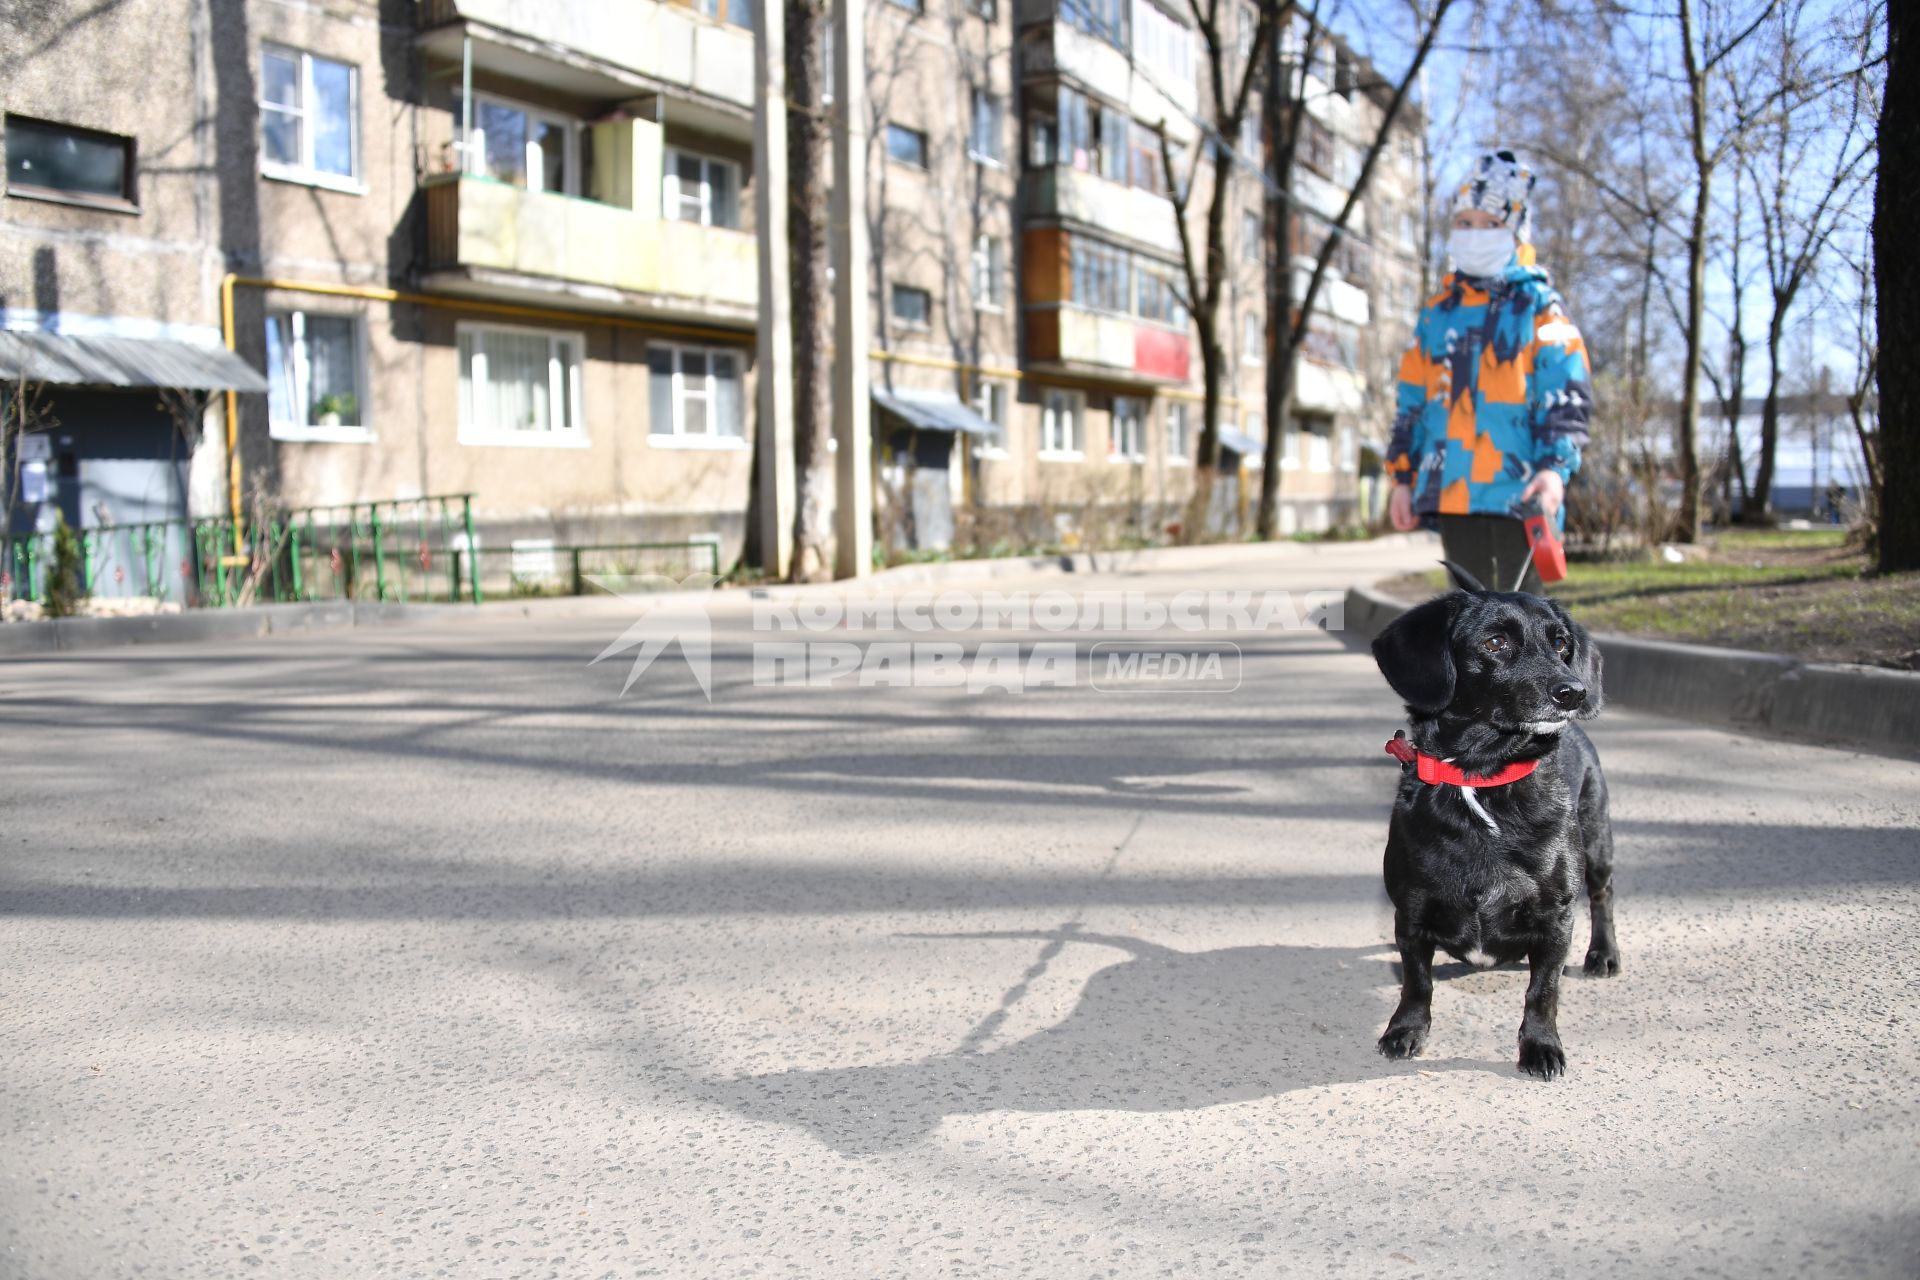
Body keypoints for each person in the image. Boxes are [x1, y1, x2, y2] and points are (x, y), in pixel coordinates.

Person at [1386, 150, 1593, 594]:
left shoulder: (1539, 308)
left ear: (1516, 232)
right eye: (1464, 223)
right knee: (1469, 619)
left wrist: (1554, 469)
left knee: (1525, 619)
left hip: (1522, 490)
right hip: (1455, 492)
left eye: (1491, 223)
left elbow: (1566, 393)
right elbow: (1412, 402)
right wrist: (1402, 478)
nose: (1475, 234)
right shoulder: (1437, 315)